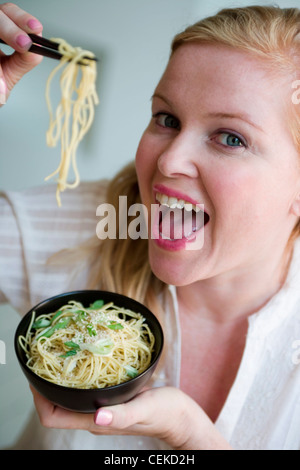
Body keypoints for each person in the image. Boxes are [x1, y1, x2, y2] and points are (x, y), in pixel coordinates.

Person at [1, 2, 300, 451]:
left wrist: (189, 436)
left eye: (231, 138)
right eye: (167, 119)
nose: (169, 160)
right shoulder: (77, 224)